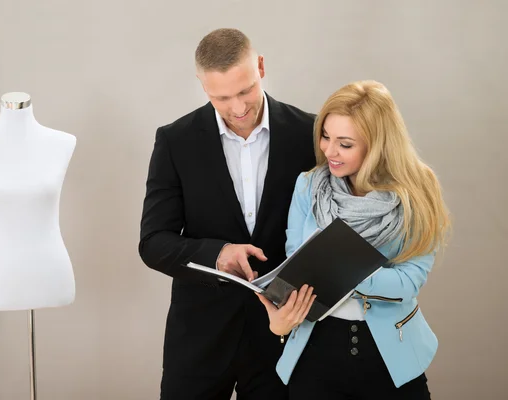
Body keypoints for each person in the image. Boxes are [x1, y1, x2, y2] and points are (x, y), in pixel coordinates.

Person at [139, 28, 317, 400]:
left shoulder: (312, 134)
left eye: (245, 90)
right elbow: (153, 242)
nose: (238, 108)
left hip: (284, 335)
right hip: (200, 337)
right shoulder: (175, 141)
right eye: (222, 97)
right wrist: (218, 254)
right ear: (202, 86)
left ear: (261, 67)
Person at [256, 80, 451, 399]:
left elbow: (409, 282)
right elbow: (296, 265)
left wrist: (344, 267)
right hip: (314, 354)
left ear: (377, 146)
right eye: (325, 136)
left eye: (344, 144)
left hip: (392, 355)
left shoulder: (417, 191)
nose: (328, 151)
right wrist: (281, 316)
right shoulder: (308, 187)